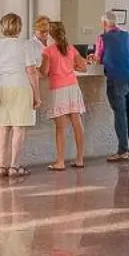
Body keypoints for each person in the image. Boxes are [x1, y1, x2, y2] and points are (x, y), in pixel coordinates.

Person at [0, 12, 44, 179]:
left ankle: (2, 166)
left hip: (2, 88)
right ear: (19, 27)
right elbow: (31, 72)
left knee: (3, 128)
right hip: (21, 87)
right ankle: (14, 166)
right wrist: (37, 95)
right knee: (19, 128)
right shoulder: (25, 46)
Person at [95, 13, 129, 163]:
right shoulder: (127, 36)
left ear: (104, 23)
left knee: (120, 114)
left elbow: (98, 58)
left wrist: (94, 58)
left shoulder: (102, 38)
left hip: (116, 78)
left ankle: (123, 150)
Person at [40, 22, 88, 170]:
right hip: (73, 87)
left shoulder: (48, 51)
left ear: (50, 35)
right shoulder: (70, 48)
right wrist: (69, 66)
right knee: (77, 124)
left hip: (58, 89)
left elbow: (44, 72)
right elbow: (83, 67)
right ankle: (79, 159)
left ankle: (60, 162)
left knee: (60, 128)